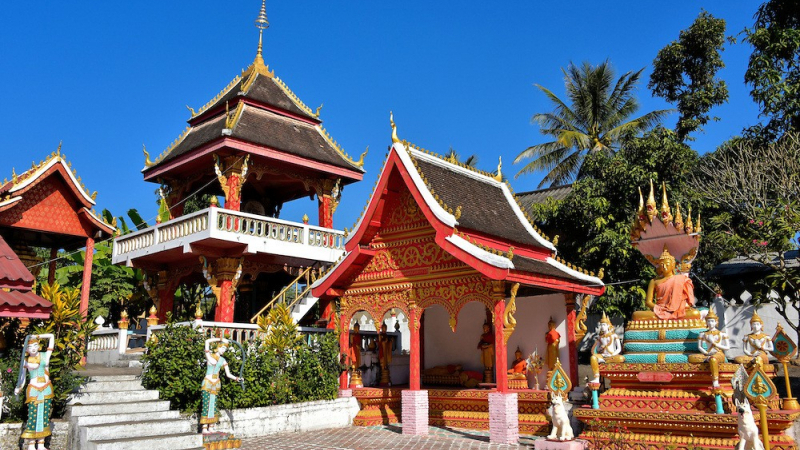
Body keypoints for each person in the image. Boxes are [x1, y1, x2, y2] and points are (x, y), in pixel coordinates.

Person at [636, 245, 699, 320]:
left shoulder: (681, 279)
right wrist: (658, 308)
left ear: (673, 265)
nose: (664, 267)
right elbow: (648, 302)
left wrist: (680, 306)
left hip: (677, 310)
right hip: (659, 310)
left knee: (695, 313)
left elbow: (688, 303)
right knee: (636, 315)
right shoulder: (654, 281)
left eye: (667, 264)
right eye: (662, 265)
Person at [14, 333, 55, 450]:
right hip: (33, 389)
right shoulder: (25, 361)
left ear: (39, 346)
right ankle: (31, 444)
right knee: (33, 415)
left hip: (46, 388)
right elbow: (22, 378)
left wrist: (38, 335)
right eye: (30, 347)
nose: (33, 348)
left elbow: (52, 337)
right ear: (26, 349)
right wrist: (19, 388)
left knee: (44, 415)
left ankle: (41, 443)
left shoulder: (45, 355)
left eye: (36, 345)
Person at [200, 337, 242, 433]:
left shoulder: (223, 360)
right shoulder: (209, 356)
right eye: (222, 348)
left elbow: (228, 374)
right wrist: (220, 338)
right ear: (217, 347)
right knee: (206, 404)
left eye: (225, 349)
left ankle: (211, 426)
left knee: (213, 405)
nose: (223, 350)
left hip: (216, 384)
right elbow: (206, 341)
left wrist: (236, 378)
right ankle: (204, 427)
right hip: (207, 383)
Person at [689, 307, 730, 388]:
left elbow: (727, 347)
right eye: (708, 321)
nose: (710, 323)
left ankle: (715, 380)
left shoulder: (722, 334)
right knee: (691, 357)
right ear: (706, 322)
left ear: (716, 322)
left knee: (713, 359)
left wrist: (713, 342)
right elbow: (700, 347)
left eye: (712, 321)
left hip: (718, 354)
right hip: (708, 353)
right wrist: (706, 353)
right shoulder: (703, 334)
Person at [589, 313, 624, 383]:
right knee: (593, 358)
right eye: (601, 325)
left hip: (611, 356)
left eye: (604, 325)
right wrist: (600, 348)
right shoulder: (600, 337)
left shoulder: (614, 335)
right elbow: (597, 349)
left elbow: (619, 349)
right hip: (603, 355)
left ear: (608, 325)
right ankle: (596, 378)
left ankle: (604, 361)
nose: (602, 327)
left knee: (621, 358)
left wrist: (612, 355)